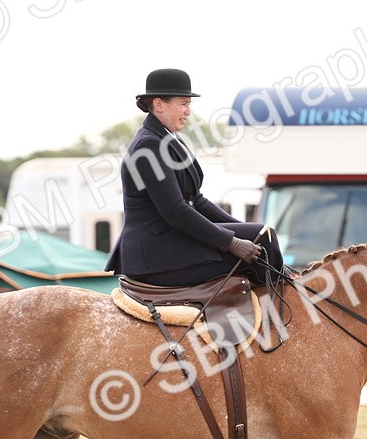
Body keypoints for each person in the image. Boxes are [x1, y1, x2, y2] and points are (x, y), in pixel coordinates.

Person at [105, 68, 285, 286]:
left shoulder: (167, 138)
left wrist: (243, 230)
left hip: (171, 242)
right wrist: (231, 242)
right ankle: (278, 316)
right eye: (183, 103)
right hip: (155, 253)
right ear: (159, 104)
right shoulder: (149, 145)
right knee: (264, 240)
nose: (188, 111)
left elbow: (196, 200)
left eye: (189, 104)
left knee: (263, 236)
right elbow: (176, 211)